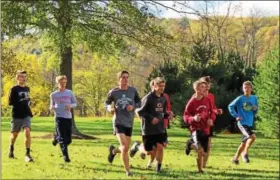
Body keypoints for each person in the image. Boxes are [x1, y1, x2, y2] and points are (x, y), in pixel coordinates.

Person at [130, 77, 173, 173]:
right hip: (148, 130)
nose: (162, 88)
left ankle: (158, 168)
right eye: (160, 86)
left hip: (160, 129)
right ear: (154, 86)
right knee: (150, 151)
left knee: (160, 147)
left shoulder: (163, 98)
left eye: (163, 86)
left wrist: (168, 115)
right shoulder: (148, 98)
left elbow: (161, 113)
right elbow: (139, 111)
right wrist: (151, 118)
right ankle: (137, 146)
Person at [104, 70, 141, 177]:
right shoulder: (113, 92)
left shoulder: (133, 91)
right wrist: (109, 108)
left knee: (125, 148)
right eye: (123, 77)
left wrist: (133, 107)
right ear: (119, 79)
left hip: (129, 122)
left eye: (127, 77)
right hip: (118, 121)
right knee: (125, 147)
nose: (125, 80)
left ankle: (113, 151)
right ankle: (128, 171)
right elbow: (106, 103)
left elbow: (139, 103)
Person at [183, 80, 216, 173]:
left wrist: (211, 119)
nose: (205, 88)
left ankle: (190, 144)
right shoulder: (192, 102)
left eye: (205, 87)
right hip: (196, 129)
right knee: (200, 150)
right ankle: (200, 170)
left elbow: (212, 112)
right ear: (197, 89)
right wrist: (193, 118)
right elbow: (185, 116)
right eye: (202, 87)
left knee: (205, 152)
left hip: (205, 128)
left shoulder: (208, 100)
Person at [228, 81, 258, 164]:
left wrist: (255, 109)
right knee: (252, 137)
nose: (246, 89)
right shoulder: (240, 98)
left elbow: (255, 109)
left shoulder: (254, 98)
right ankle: (245, 152)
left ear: (251, 89)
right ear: (243, 89)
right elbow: (230, 106)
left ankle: (235, 158)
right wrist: (236, 115)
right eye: (245, 87)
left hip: (249, 122)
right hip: (242, 123)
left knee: (243, 143)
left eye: (248, 87)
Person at [50, 75, 77, 163]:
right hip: (58, 117)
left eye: (64, 82)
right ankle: (66, 156)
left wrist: (70, 106)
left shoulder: (70, 93)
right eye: (61, 83)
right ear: (57, 83)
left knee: (68, 140)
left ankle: (56, 138)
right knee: (62, 139)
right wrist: (51, 108)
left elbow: (75, 103)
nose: (63, 84)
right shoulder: (53, 94)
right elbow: (51, 105)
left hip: (68, 117)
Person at [8, 70, 34, 162]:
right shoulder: (14, 89)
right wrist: (20, 100)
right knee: (14, 134)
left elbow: (28, 99)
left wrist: (29, 102)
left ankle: (27, 154)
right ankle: (11, 149)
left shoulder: (27, 88)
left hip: (26, 114)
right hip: (17, 115)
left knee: (27, 131)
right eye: (21, 76)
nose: (24, 78)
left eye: (24, 76)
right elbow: (10, 102)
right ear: (17, 78)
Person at [199, 76, 223, 168]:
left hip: (208, 124)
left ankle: (204, 165)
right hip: (199, 124)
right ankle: (200, 163)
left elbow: (212, 109)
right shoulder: (197, 96)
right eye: (205, 83)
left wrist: (216, 112)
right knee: (199, 146)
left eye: (208, 84)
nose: (207, 85)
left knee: (208, 145)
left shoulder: (211, 96)